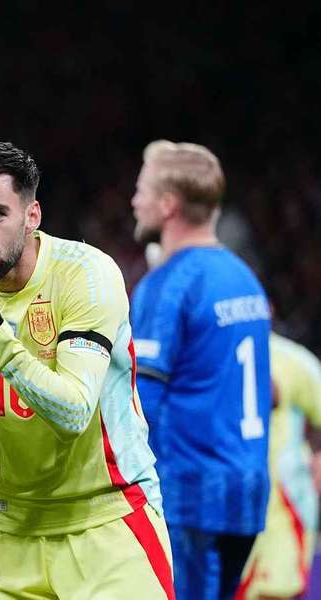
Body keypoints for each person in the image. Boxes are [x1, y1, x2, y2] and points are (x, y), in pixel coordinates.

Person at [0, 141, 173, 599]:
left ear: (32, 215)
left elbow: (74, 411)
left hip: (107, 520)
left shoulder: (86, 273)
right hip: (12, 524)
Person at [129, 140, 272, 599]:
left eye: (142, 189)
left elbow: (140, 403)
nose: (134, 200)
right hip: (246, 491)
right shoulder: (242, 276)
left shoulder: (167, 285)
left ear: (168, 204)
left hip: (190, 495)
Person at [237, 332, 321, 600]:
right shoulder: (210, 349)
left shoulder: (295, 361)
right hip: (230, 501)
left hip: (284, 507)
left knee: (276, 592)